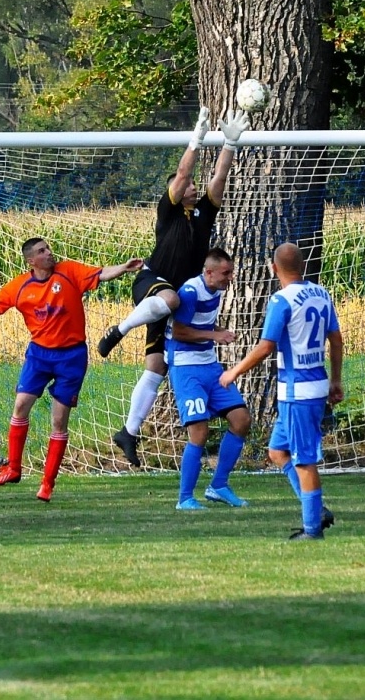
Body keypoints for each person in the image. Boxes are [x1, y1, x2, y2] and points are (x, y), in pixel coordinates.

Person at [99, 106, 248, 467]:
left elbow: (220, 177)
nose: (193, 186)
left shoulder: (205, 212)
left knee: (156, 365)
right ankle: (118, 330)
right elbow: (183, 173)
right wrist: (197, 138)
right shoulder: (167, 211)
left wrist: (230, 143)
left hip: (176, 298)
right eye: (188, 185)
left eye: (195, 185)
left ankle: (129, 432)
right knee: (168, 298)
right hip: (154, 284)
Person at [0, 237, 142, 501]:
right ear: (31, 260)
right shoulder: (20, 286)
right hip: (39, 355)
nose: (49, 253)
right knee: (20, 405)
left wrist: (123, 267)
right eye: (42, 251)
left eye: (48, 248)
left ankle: (47, 483)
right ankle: (13, 469)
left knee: (58, 420)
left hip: (71, 357)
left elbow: (101, 273)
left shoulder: (69, 271)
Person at [221, 242, 343, 540]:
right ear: (302, 266)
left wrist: (234, 371)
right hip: (314, 385)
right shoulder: (321, 294)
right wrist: (336, 380)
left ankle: (312, 529)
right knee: (277, 451)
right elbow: (337, 340)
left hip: (298, 391)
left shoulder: (281, 300)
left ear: (274, 268)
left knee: (303, 460)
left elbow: (266, 346)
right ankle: (316, 509)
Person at [165, 248, 251, 511]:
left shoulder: (216, 290)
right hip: (186, 369)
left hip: (210, 366)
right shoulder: (190, 292)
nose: (230, 277)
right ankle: (185, 499)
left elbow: (200, 324)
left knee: (241, 419)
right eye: (226, 273)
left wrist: (218, 331)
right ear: (209, 272)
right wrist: (215, 336)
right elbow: (179, 331)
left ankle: (219, 486)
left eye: (231, 272)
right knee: (199, 432)